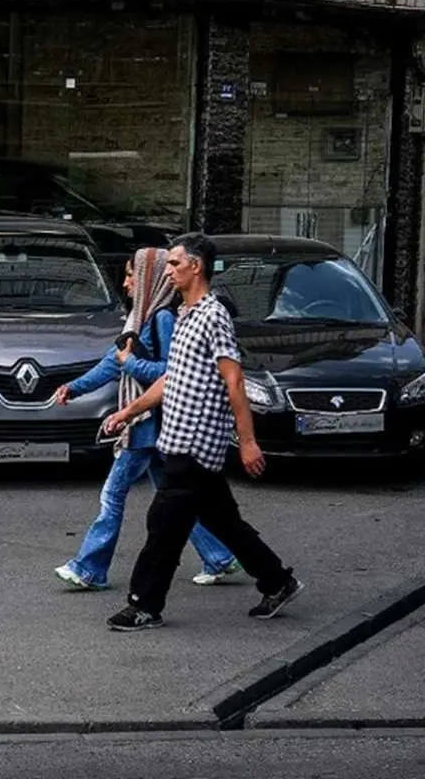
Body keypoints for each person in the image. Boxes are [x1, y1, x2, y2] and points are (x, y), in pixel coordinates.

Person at [102, 233, 304, 632]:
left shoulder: (213, 315)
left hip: (196, 444)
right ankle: (279, 581)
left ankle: (144, 605)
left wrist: (247, 443)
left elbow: (234, 381)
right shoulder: (184, 315)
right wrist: (128, 411)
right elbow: (171, 380)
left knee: (164, 524)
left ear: (196, 266)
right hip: (180, 440)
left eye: (175, 264)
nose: (170, 271)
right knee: (225, 522)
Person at [53, 247, 240, 591]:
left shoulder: (163, 319)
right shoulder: (139, 318)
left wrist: (131, 366)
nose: (125, 283)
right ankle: (219, 556)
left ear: (146, 278)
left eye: (130, 275)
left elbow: (172, 372)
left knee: (112, 496)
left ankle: (90, 568)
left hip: (149, 426)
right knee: (178, 498)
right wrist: (73, 388)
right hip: (153, 430)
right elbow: (112, 363)